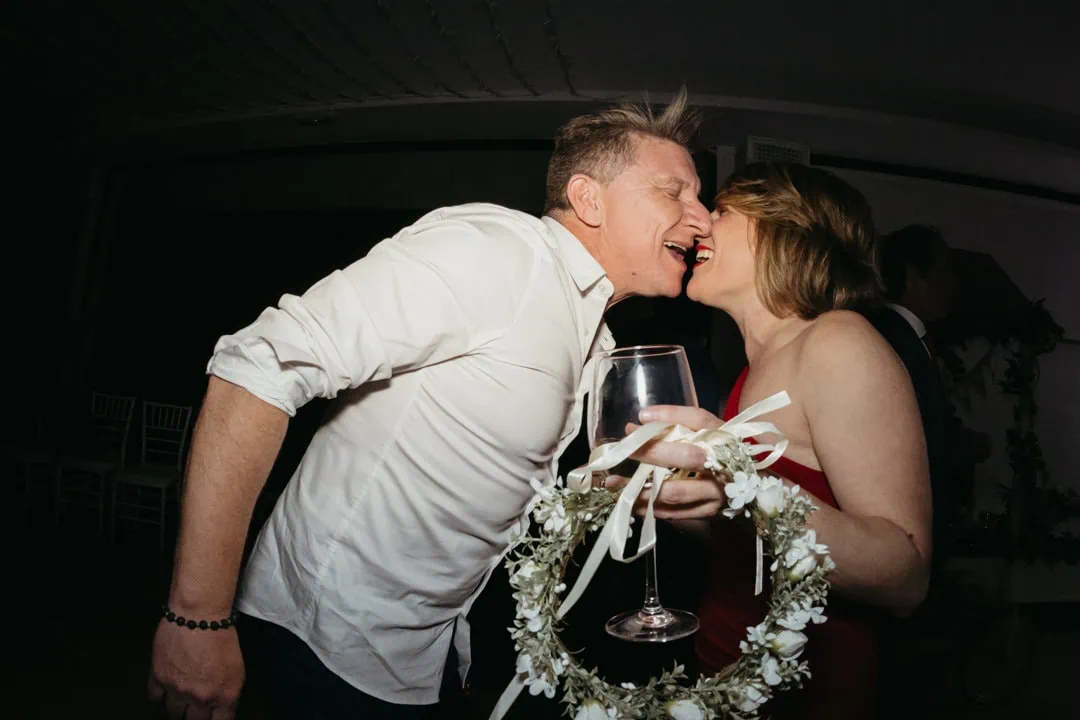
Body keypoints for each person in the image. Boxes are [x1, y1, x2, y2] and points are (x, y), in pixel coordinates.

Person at [147, 93, 712, 720]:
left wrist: (635, 494)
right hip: (321, 643)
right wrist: (197, 616)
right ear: (589, 199)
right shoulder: (498, 254)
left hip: (428, 659)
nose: (703, 219)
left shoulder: (596, 337)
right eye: (674, 193)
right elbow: (256, 368)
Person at [625, 163, 932, 719]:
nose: (701, 224)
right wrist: (671, 504)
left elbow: (906, 578)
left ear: (786, 230)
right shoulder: (752, 370)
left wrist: (742, 483)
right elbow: (755, 539)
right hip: (724, 674)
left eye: (721, 211)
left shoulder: (837, 341)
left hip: (808, 693)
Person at [877, 224, 955, 350]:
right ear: (913, 277)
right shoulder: (895, 341)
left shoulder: (889, 330)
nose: (951, 283)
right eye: (943, 273)